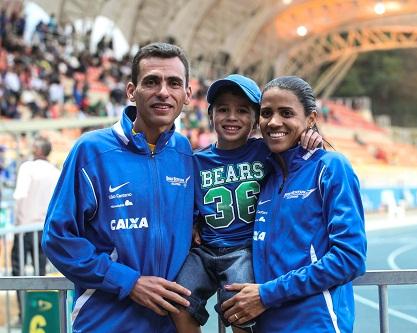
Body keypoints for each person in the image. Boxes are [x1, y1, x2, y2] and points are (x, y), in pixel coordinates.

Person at [42, 42, 194, 332]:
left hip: (168, 324)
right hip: (106, 321)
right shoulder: (92, 150)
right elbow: (57, 238)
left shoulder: (184, 152)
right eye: (151, 82)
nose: (163, 91)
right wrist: (129, 282)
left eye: (174, 83)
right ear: (131, 91)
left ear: (187, 95)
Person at [172, 74, 322, 333]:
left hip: (244, 250)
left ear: (256, 120)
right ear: (210, 115)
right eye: (223, 110)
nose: (232, 117)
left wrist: (311, 136)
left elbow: (295, 146)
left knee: (240, 308)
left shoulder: (266, 151)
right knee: (178, 300)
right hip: (206, 250)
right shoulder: (195, 161)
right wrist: (195, 220)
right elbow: (187, 203)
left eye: (242, 110)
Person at [221, 76, 367, 333]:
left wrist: (267, 294)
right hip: (265, 325)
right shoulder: (264, 176)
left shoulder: (331, 167)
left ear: (311, 119)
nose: (274, 121)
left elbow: (350, 258)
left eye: (286, 113)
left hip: (315, 325)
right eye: (266, 113)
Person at [11, 136, 60, 323]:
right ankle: (40, 314)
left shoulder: (27, 168)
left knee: (19, 272)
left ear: (38, 150)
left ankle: (24, 315)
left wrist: (18, 225)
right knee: (41, 272)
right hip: (43, 230)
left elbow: (20, 197)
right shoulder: (54, 172)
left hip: (24, 229)